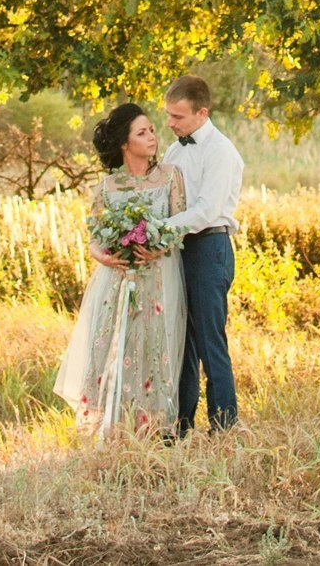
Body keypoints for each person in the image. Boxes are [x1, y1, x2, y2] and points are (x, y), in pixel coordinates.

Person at [54, 102, 187, 437]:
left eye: (152, 130)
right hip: (116, 280)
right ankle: (114, 426)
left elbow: (180, 225)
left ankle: (154, 429)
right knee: (113, 345)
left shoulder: (170, 176)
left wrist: (157, 245)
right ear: (125, 143)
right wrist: (105, 257)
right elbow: (94, 240)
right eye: (142, 133)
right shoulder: (107, 188)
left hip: (158, 276)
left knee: (154, 346)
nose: (152, 137)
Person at [159, 74, 242, 434]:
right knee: (182, 341)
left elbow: (207, 210)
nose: (170, 123)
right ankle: (180, 425)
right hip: (180, 247)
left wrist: (162, 228)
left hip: (211, 245)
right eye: (168, 115)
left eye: (178, 117)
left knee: (210, 339)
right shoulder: (174, 151)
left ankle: (224, 424)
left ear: (202, 113)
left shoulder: (221, 152)